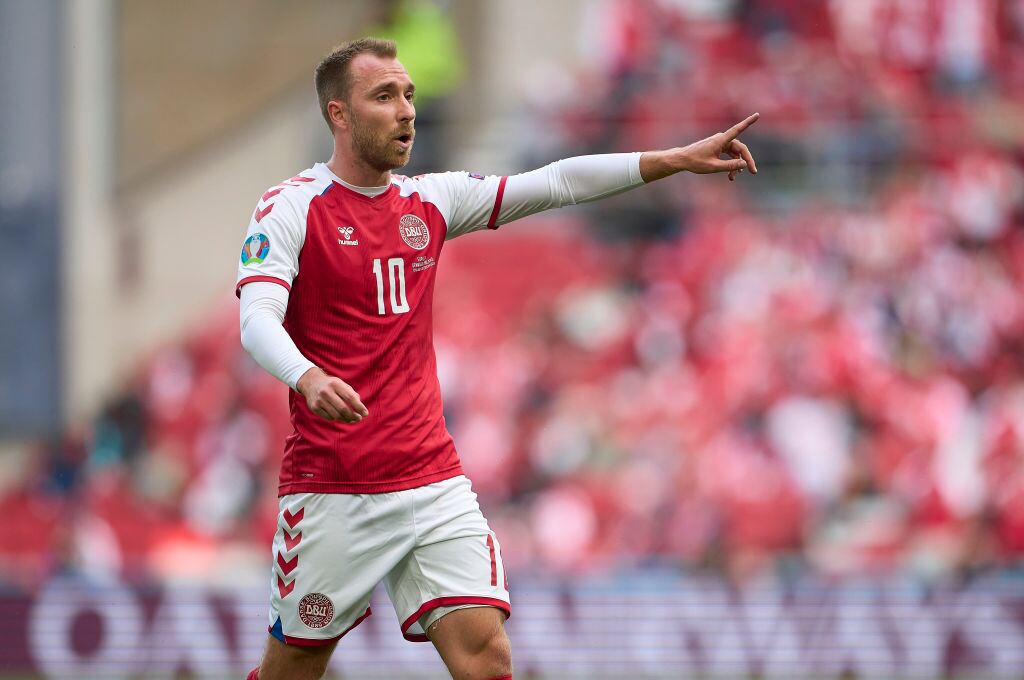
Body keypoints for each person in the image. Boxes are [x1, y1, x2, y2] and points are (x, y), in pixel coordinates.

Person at [237, 37, 757, 680]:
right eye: (383, 96)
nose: (405, 111)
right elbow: (257, 319)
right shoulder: (291, 207)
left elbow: (558, 181)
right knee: (293, 670)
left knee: (487, 658)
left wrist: (673, 159)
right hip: (334, 489)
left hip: (431, 480)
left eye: (409, 95)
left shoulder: (430, 200)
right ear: (338, 115)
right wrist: (305, 375)